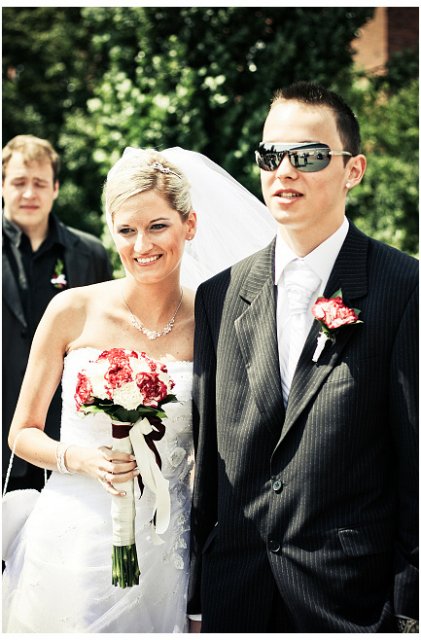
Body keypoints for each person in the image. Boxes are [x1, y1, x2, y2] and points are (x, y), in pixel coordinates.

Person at [2, 147, 276, 633]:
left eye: (157, 226)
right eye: (126, 230)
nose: (141, 245)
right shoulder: (71, 310)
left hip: (167, 547)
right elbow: (21, 433)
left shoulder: (213, 321)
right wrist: (78, 459)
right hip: (71, 542)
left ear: (190, 225)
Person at [188, 81, 419, 632]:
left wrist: (408, 615)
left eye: (309, 156)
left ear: (353, 170)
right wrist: (198, 598)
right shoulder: (218, 296)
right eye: (271, 155)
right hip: (236, 599)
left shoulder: (405, 289)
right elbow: (210, 467)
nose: (284, 171)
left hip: (353, 606)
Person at [2, 134, 113, 492]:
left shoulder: (90, 254)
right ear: (3, 185)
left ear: (55, 188)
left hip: (67, 442)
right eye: (19, 182)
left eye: (39, 183)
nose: (29, 193)